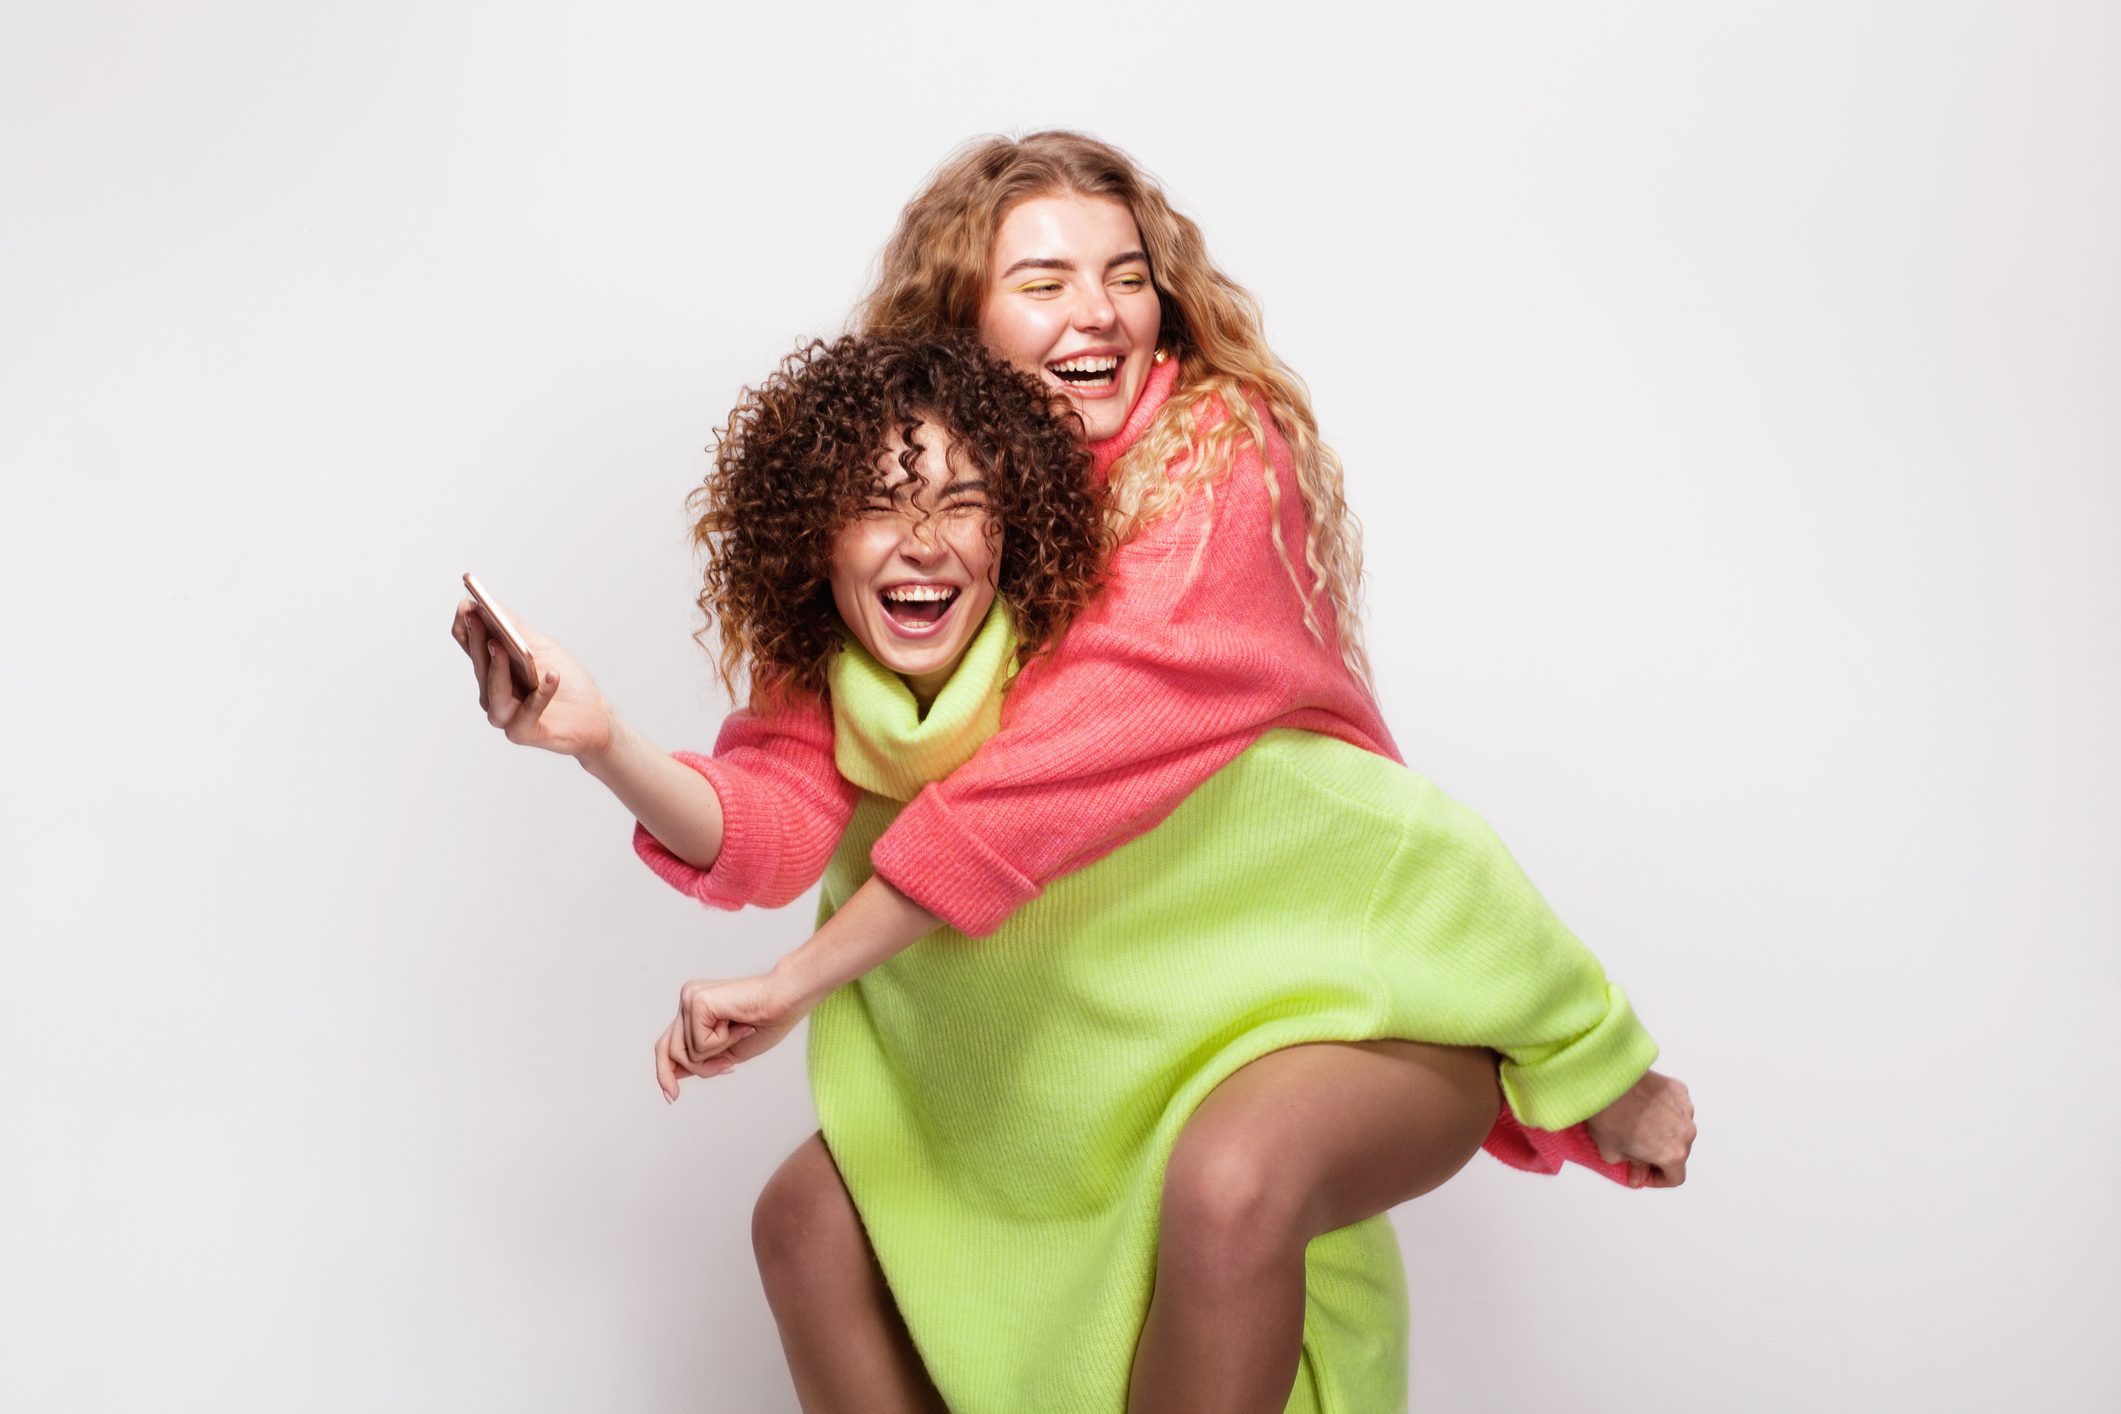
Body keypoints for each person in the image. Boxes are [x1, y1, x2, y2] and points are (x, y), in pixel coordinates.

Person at [455, 132, 1696, 1414]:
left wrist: (796, 980)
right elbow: (784, 806)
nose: (1097, 311)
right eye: (1043, 283)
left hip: (1343, 993)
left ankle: (1582, 1060)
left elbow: (1052, 778)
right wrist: (600, 741)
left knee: (1231, 1180)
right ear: (961, 326)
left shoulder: (1220, 448)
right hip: (1104, 1042)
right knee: (810, 1221)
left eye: (1126, 274)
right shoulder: (920, 517)